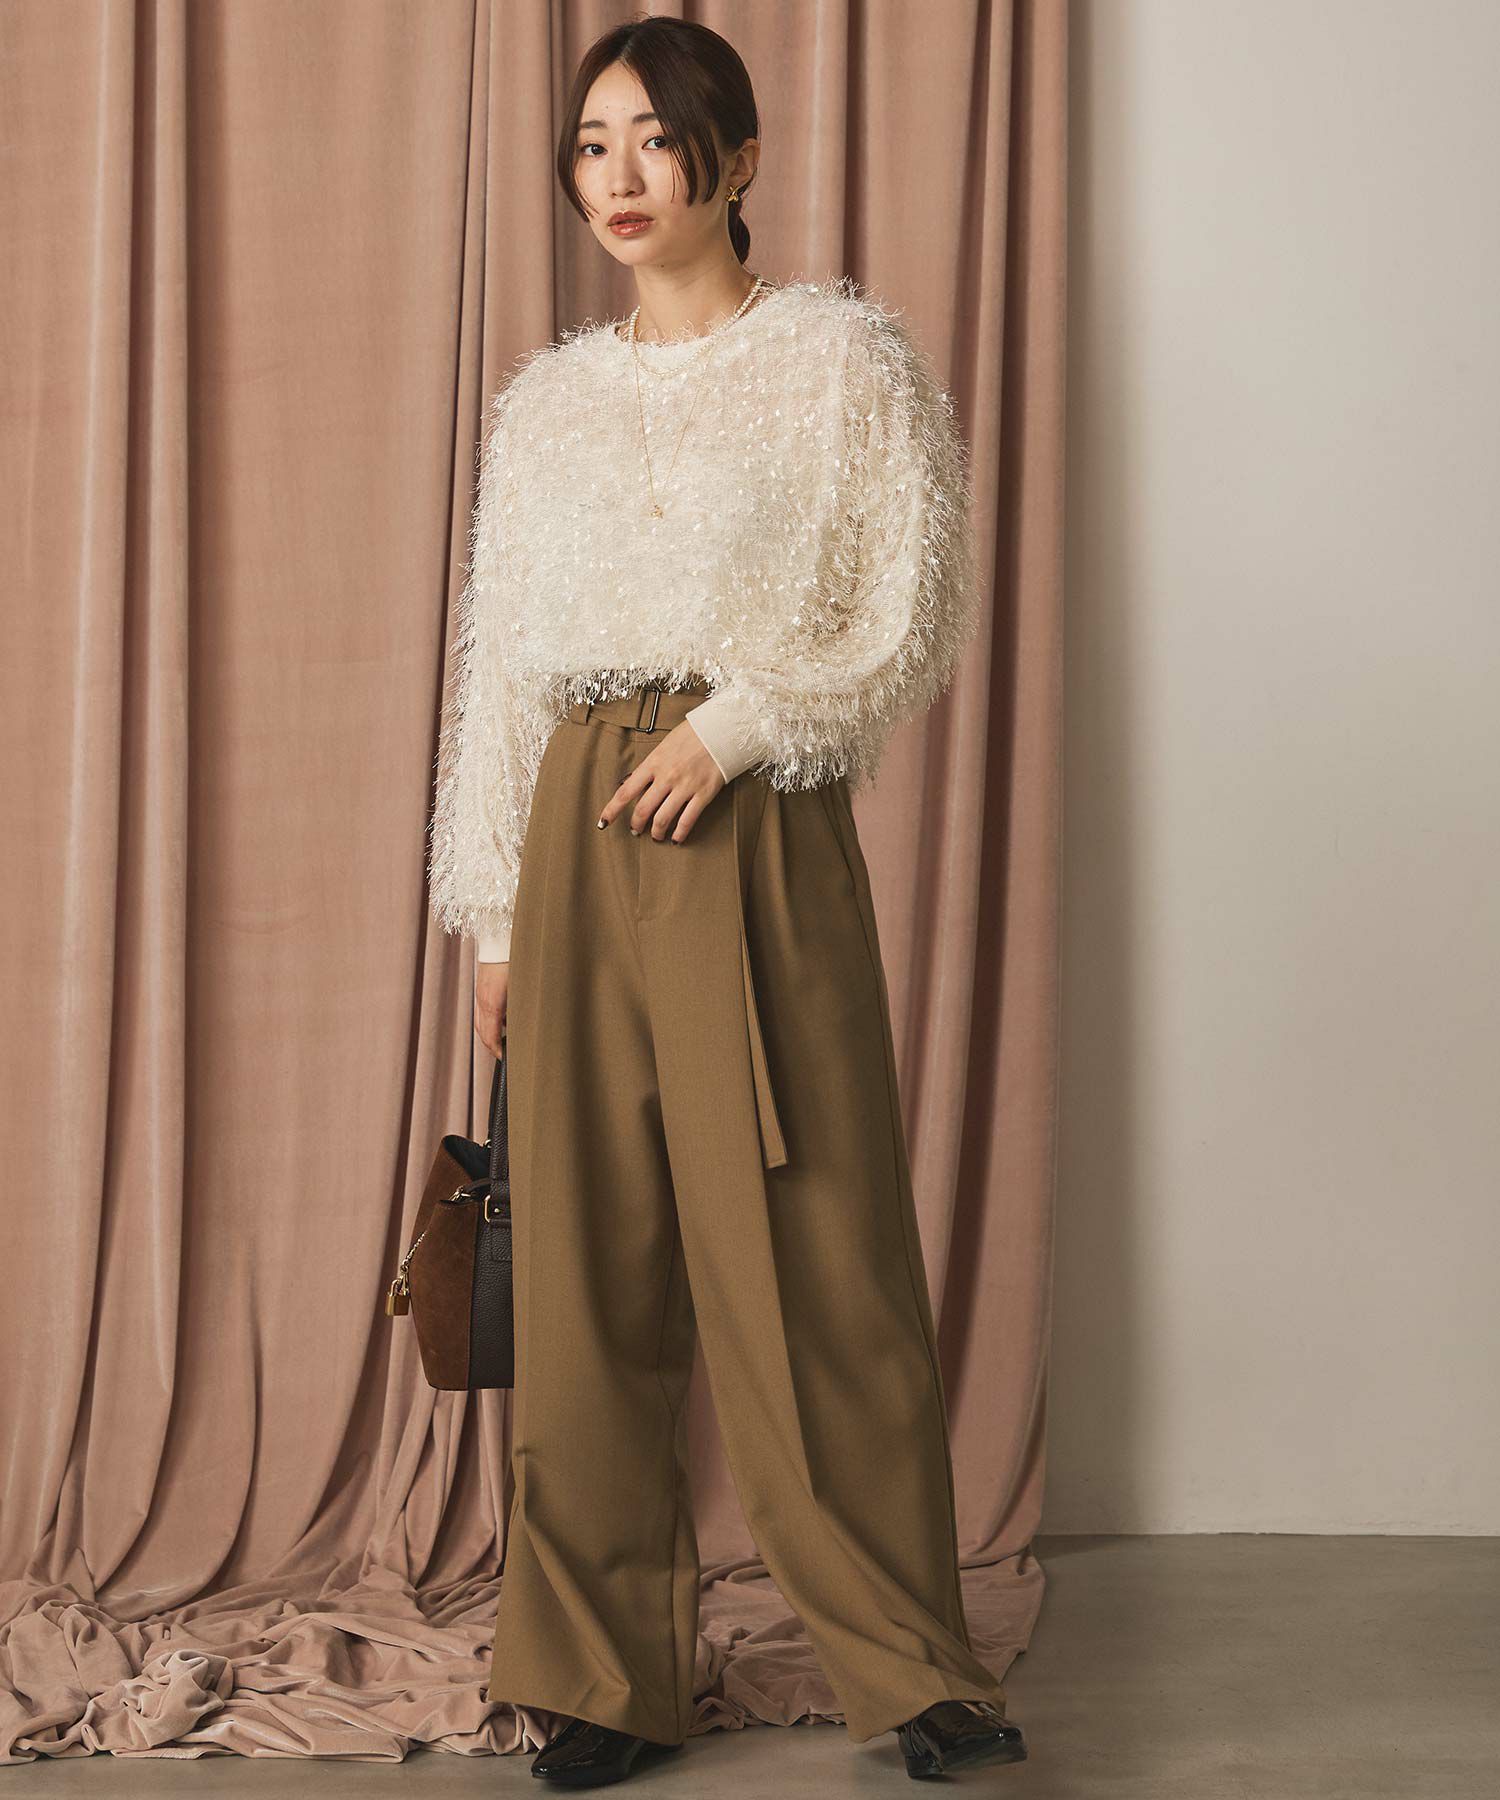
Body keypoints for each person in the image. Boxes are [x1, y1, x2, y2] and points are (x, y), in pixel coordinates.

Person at [427, 14, 1027, 1789]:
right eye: (591, 143)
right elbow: (502, 673)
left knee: (813, 1245)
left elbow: (912, 604)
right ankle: (600, 1680)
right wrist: (497, 916)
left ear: (739, 160)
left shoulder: (841, 359)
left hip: (751, 812)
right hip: (573, 823)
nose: (618, 177)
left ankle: (912, 1666)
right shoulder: (548, 403)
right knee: (586, 1259)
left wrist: (740, 727)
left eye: (655, 139)